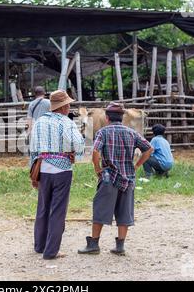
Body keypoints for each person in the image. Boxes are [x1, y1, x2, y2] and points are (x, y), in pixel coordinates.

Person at [78, 103, 153, 256]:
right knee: (124, 211)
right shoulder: (131, 133)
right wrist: (137, 165)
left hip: (109, 177)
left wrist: (97, 168)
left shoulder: (103, 132)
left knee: (100, 209)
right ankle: (120, 246)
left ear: (106, 118)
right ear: (122, 117)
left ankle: (94, 244)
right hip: (128, 178)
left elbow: (95, 152)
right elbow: (149, 148)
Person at [29, 90, 85, 260]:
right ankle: (51, 251)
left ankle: (39, 246)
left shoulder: (39, 122)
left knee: (43, 208)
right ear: (64, 106)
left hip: (43, 169)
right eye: (68, 104)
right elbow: (79, 144)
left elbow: (33, 148)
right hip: (62, 171)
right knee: (58, 211)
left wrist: (33, 172)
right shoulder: (67, 123)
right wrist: (75, 153)